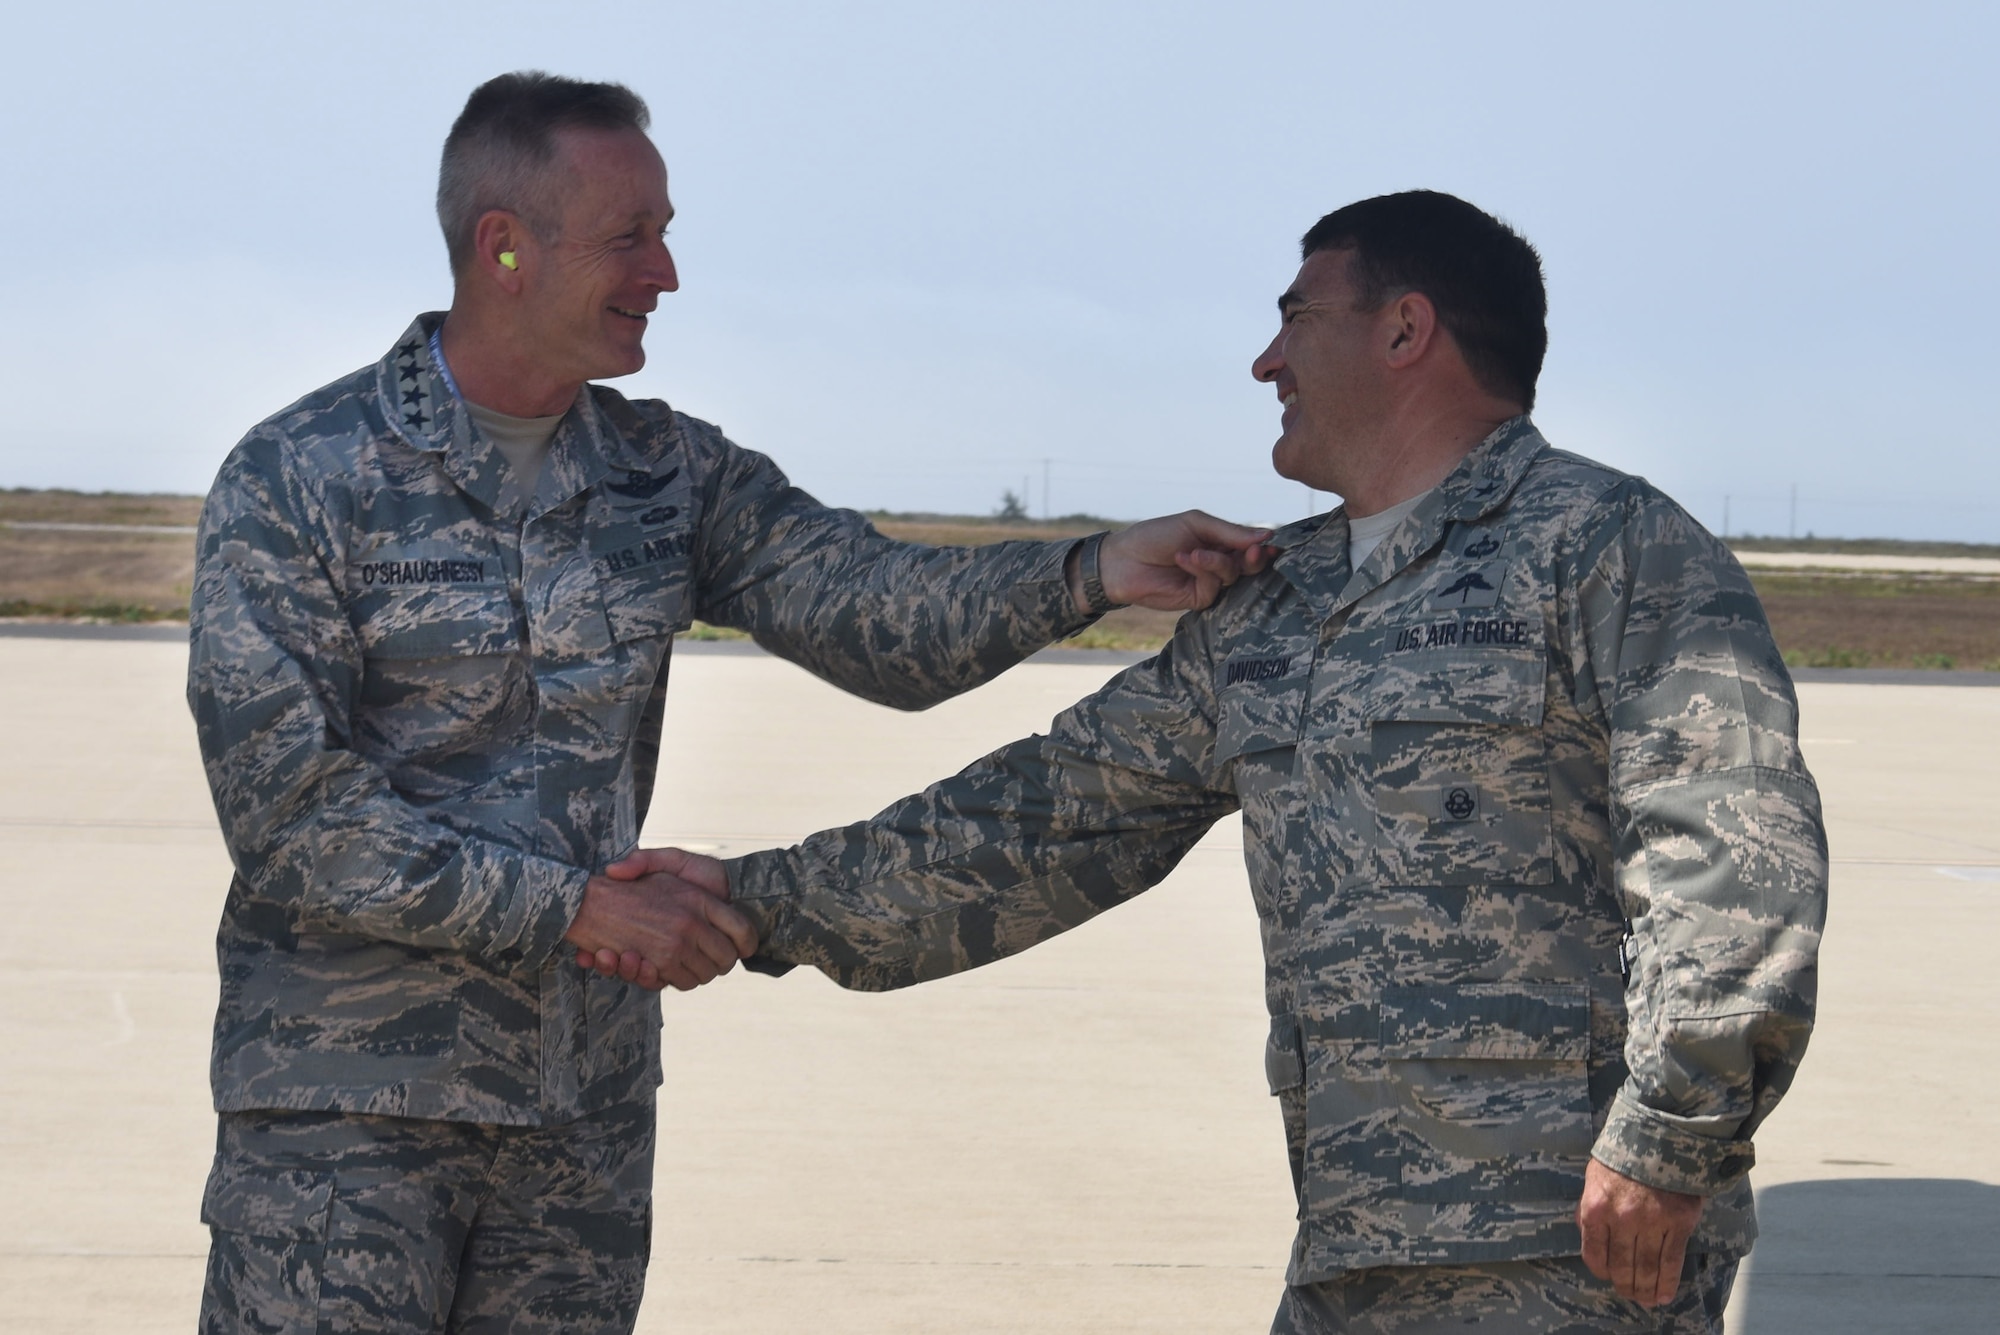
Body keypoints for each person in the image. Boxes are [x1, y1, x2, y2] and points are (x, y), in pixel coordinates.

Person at [611, 191, 1830, 1333]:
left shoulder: (1608, 549)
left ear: (1405, 330)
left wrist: (1668, 1140)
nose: (1265, 361)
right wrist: (750, 903)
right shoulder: (1277, 607)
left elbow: (1731, 853)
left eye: (1294, 318)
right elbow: (1036, 823)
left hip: (1568, 1243)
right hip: (1353, 1245)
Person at [186, 70, 1273, 1333]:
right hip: (348, 1122)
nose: (666, 273)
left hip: (576, 1122)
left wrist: (1089, 570)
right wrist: (574, 909)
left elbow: (879, 616)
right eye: (630, 237)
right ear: (505, 250)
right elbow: (290, 819)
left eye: (664, 230)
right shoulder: (299, 475)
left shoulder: (668, 473)